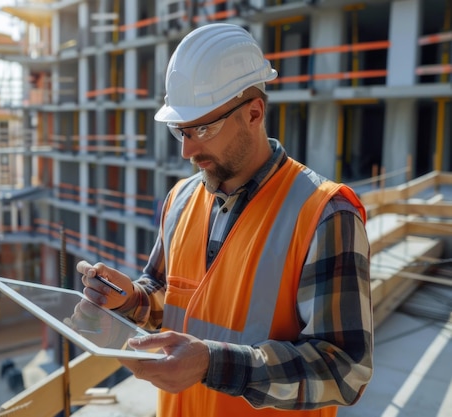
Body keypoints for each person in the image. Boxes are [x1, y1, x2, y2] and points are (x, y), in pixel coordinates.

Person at [76, 23, 372, 417]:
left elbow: (345, 370)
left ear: (254, 112)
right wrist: (131, 300)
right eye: (180, 131)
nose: (187, 151)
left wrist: (213, 364)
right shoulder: (179, 200)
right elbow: (168, 300)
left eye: (202, 128)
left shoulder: (324, 214)